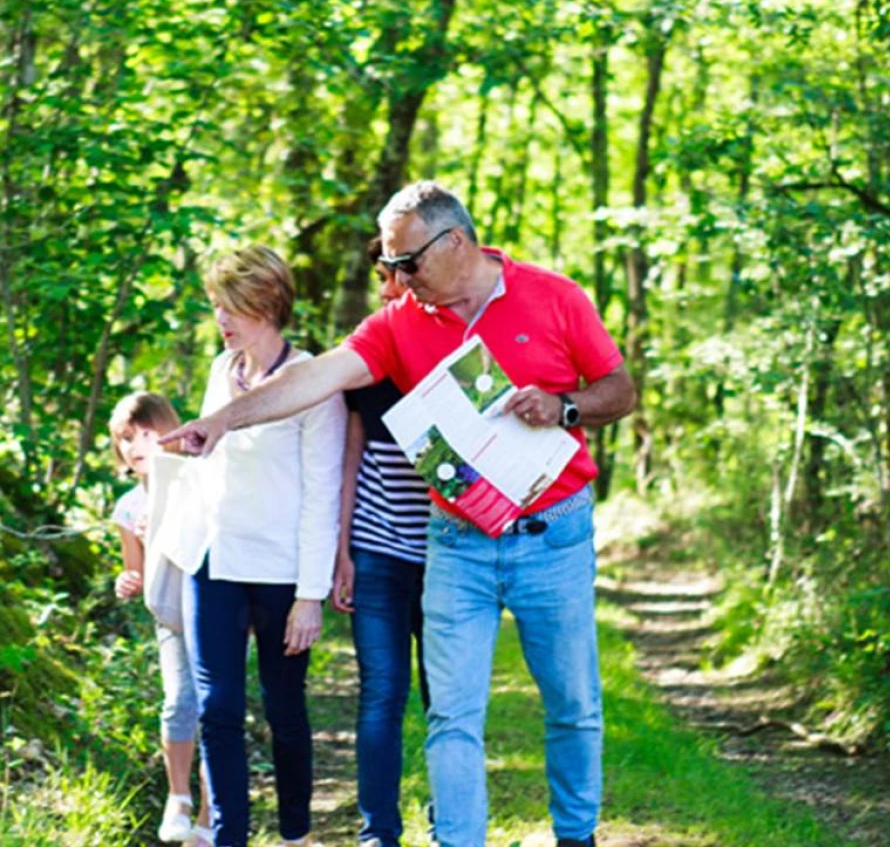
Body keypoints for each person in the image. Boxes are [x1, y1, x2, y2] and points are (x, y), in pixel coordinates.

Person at [162, 182, 637, 847]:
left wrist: (563, 406)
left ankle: (576, 835)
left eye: (408, 263)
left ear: (458, 243)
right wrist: (221, 421)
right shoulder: (400, 322)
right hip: (458, 542)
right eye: (391, 266)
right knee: (452, 714)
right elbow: (315, 377)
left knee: (573, 706)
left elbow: (619, 390)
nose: (399, 280)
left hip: (551, 534)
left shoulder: (555, 296)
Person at [183, 246, 346, 847]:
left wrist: (311, 596)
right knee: (217, 709)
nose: (221, 318)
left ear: (267, 304)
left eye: (232, 306)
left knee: (284, 711)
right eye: (217, 306)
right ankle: (230, 835)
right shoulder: (218, 371)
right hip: (215, 562)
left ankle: (296, 835)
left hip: (281, 572)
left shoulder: (312, 383)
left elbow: (322, 492)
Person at [332, 242, 432, 847]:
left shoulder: (455, 354)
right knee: (382, 693)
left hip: (449, 554)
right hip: (377, 548)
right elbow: (349, 456)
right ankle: (379, 834)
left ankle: (453, 826)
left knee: (445, 699)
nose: (387, 290)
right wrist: (340, 551)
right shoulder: (364, 358)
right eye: (381, 278)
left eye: (396, 277)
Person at [109, 392, 210, 844]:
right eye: (127, 438)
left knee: (217, 709)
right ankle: (179, 796)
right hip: (168, 616)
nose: (137, 446)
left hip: (212, 610)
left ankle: (212, 813)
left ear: (169, 433)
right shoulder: (129, 507)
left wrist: (171, 527)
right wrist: (126, 581)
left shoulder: (196, 482)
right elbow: (135, 570)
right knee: (177, 702)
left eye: (148, 434)